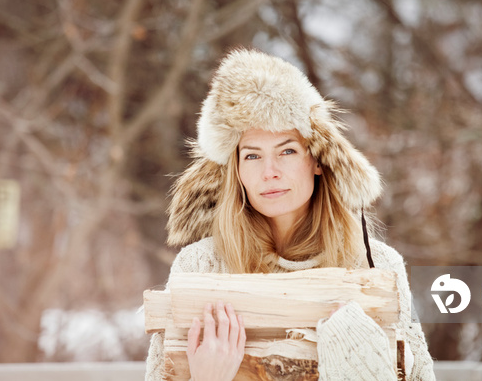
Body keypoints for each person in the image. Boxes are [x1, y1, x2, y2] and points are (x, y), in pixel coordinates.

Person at [145, 48, 436, 380]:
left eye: (287, 150)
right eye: (252, 156)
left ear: (316, 159)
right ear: (236, 170)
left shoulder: (377, 265)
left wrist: (363, 366)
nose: (270, 171)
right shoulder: (199, 265)